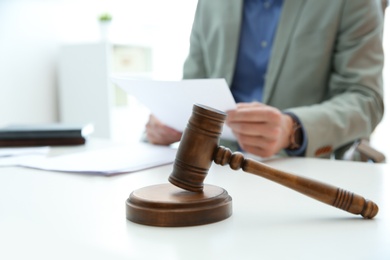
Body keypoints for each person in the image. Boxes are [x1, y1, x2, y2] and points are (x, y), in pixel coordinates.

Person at [146, 0, 385, 159]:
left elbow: (366, 99)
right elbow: (193, 87)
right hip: (215, 172)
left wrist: (293, 129)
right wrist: (168, 123)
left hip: (305, 173)